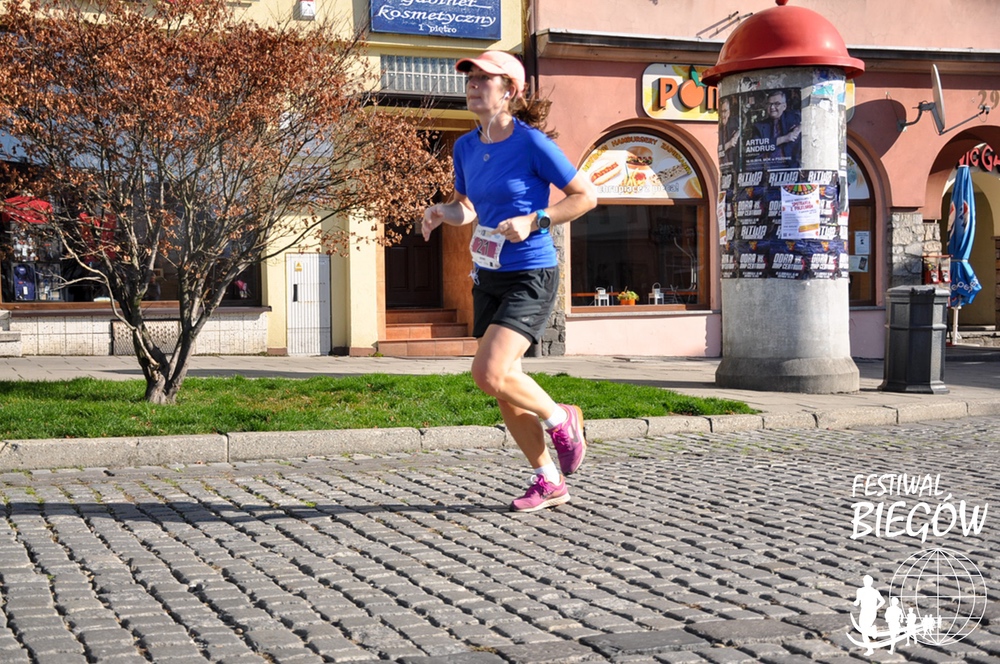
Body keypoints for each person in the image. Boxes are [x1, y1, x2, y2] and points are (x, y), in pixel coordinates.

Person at [421, 50, 598, 513]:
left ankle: (562, 419)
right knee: (505, 382)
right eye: (471, 78)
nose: (473, 85)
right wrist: (441, 212)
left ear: (510, 92)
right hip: (489, 274)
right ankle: (548, 479)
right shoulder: (464, 147)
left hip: (530, 272)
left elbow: (585, 197)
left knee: (489, 373)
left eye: (485, 78)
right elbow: (468, 208)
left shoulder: (531, 143)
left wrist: (536, 220)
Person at [751, 89, 801, 168]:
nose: (772, 107)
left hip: (790, 168)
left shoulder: (793, 119)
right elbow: (756, 147)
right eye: (769, 104)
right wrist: (784, 138)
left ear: (784, 106)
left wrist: (800, 127)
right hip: (767, 169)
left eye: (777, 104)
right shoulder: (759, 126)